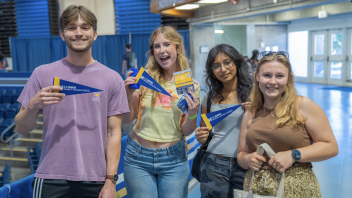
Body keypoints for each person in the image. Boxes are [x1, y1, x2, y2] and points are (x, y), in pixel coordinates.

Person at [14, 5, 129, 198]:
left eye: (85, 27)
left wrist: (110, 180)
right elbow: (21, 128)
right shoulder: (41, 74)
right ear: (62, 34)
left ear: (95, 34)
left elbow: (114, 133)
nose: (78, 33)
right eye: (71, 27)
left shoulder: (112, 78)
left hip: (96, 178)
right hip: (51, 176)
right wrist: (33, 105)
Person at [237, 51, 338, 197]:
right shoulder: (250, 113)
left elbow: (331, 147)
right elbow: (242, 154)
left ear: (289, 78)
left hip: (297, 188)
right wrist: (247, 160)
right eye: (267, 75)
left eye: (279, 76)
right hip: (258, 189)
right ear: (257, 77)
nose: (272, 82)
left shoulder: (303, 106)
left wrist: (293, 155)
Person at [122, 26, 201, 198]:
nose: (162, 50)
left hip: (173, 159)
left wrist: (193, 112)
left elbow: (187, 131)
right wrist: (128, 95)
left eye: (167, 44)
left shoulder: (190, 86)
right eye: (156, 46)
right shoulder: (144, 79)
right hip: (138, 157)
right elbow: (128, 118)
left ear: (178, 48)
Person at [195, 44, 252, 198]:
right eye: (216, 66)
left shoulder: (255, 95)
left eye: (227, 62)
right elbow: (204, 135)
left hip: (247, 164)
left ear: (236, 63)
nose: (223, 69)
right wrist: (201, 137)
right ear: (212, 71)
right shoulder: (208, 98)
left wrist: (256, 113)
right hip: (213, 164)